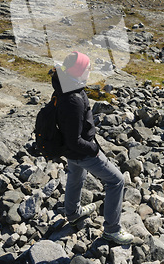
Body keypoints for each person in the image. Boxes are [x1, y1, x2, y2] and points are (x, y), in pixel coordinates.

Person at [50, 51, 134, 245]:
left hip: (71, 150)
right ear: (78, 71)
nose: (90, 70)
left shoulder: (64, 84)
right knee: (116, 181)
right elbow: (75, 140)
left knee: (76, 176)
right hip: (81, 150)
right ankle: (112, 230)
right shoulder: (73, 99)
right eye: (87, 68)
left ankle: (72, 213)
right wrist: (94, 149)